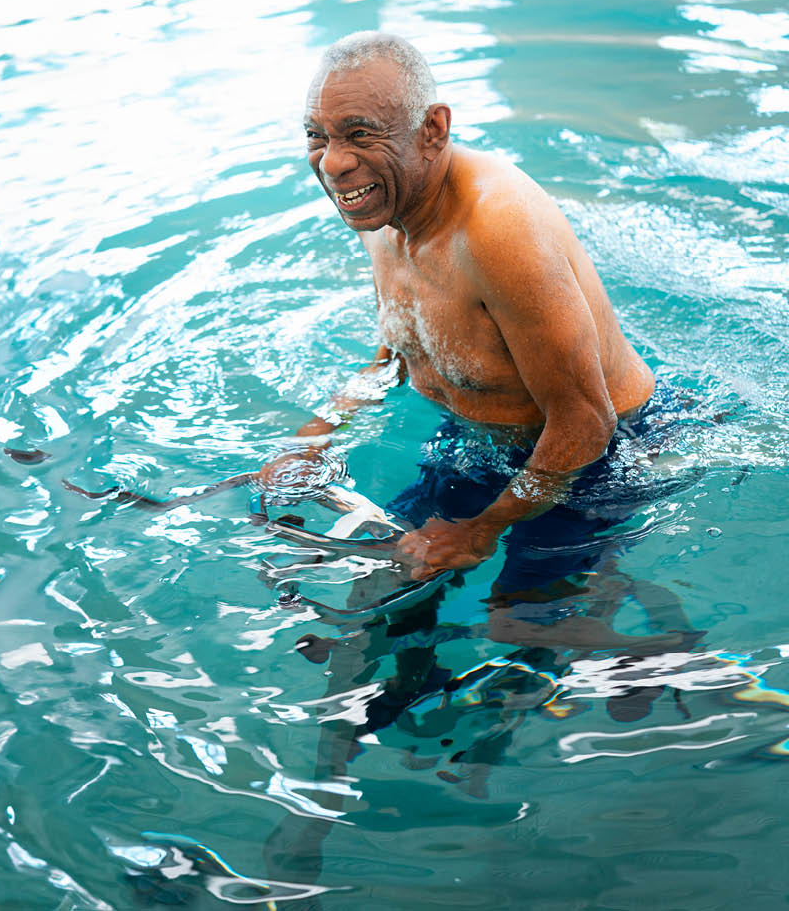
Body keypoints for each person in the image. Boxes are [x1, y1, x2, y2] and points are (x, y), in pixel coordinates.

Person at [262, 30, 659, 595]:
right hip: (482, 445)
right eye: (316, 136)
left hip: (597, 458)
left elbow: (584, 420)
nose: (332, 163)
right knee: (387, 579)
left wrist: (483, 528)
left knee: (521, 629)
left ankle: (667, 651)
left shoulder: (498, 231)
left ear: (433, 131)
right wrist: (315, 435)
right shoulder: (383, 205)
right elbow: (401, 346)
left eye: (358, 136)